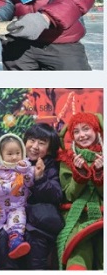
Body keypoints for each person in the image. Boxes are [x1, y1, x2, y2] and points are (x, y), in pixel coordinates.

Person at [0, 123, 64, 270]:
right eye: (32, 140)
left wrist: (40, 178)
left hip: (35, 223)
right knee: (2, 235)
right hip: (9, 217)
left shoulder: (50, 166)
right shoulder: (10, 159)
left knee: (34, 239)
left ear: (49, 149)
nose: (35, 146)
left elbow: (57, 196)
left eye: (41, 143)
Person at [56, 113, 102, 270]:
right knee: (77, 250)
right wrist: (79, 174)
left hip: (102, 213)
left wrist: (99, 173)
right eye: (76, 131)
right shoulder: (66, 159)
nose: (82, 135)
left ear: (96, 130)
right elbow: (69, 195)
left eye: (86, 129)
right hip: (78, 216)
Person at [0, 134, 33, 269]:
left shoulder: (25, 166)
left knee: (18, 221)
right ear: (1, 154)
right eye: (9, 154)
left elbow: (30, 183)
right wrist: (9, 186)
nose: (15, 157)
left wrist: (25, 172)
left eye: (18, 153)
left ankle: (16, 242)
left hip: (17, 206)